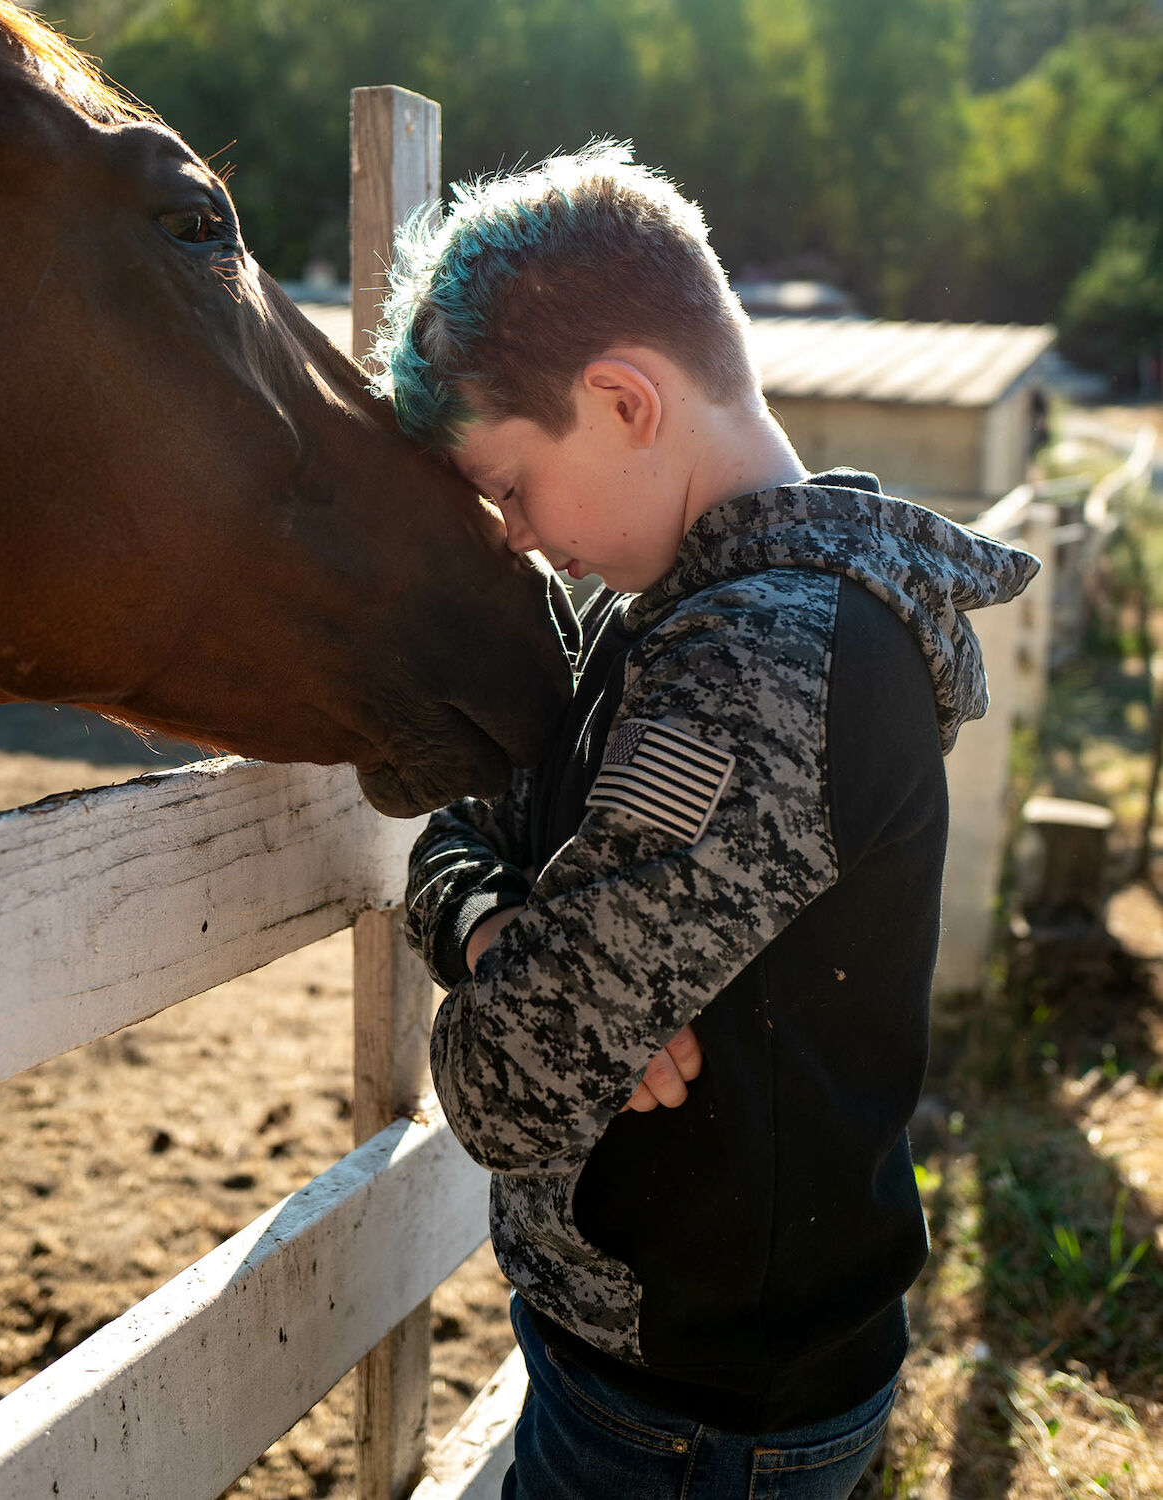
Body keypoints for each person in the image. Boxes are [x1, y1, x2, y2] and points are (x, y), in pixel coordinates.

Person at [372, 143, 1039, 1499]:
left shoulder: (761, 665)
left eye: (508, 485)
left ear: (621, 400)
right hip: (666, 1377)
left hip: (689, 1423)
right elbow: (459, 837)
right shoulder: (671, 618)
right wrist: (505, 926)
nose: (509, 536)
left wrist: (527, 986)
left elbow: (502, 1085)